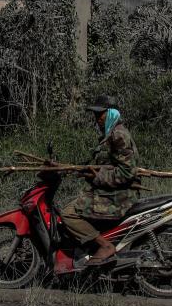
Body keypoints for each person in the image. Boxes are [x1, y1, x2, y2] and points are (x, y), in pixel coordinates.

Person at [60, 94, 140, 265]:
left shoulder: (118, 135)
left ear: (111, 113)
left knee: (68, 213)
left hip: (119, 197)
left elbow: (127, 172)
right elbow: (101, 164)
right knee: (71, 203)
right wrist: (71, 168)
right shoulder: (110, 134)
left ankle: (104, 246)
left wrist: (97, 177)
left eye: (100, 114)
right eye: (95, 115)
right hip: (109, 193)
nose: (97, 119)